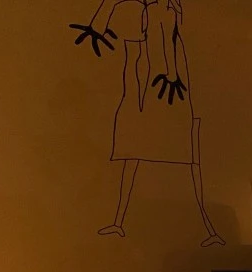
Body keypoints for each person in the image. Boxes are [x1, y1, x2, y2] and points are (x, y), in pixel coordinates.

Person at [70, 0, 225, 247]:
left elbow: (167, 38)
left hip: (162, 92)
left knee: (182, 155)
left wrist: (172, 74)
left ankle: (206, 226)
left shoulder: (162, 10)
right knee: (140, 152)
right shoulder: (147, 11)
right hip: (147, 91)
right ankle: (120, 221)